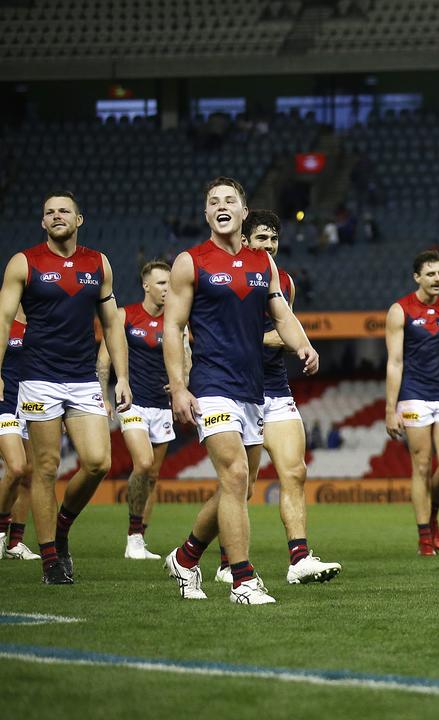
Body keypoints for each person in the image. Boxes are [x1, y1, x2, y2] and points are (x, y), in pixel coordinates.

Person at [162, 177, 320, 605]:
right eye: (213, 201)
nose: (221, 205)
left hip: (253, 389)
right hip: (212, 384)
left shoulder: (261, 264)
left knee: (241, 485)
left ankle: (186, 556)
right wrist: (179, 387)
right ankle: (243, 580)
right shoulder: (189, 262)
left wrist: (303, 344)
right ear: (207, 214)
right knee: (233, 476)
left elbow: (281, 313)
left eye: (229, 199)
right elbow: (173, 328)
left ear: (244, 211)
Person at [0, 191, 131, 585]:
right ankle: (50, 560)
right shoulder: (25, 262)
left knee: (97, 462)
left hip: (83, 379)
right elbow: (4, 320)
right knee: (44, 469)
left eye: (64, 211)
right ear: (42, 223)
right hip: (38, 379)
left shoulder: (98, 263)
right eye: (49, 212)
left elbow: (111, 325)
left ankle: (61, 526)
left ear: (79, 220)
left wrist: (121, 377)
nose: (56, 216)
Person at [241, 208, 341, 585]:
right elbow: (231, 338)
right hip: (237, 391)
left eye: (273, 239)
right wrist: (281, 339)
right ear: (246, 240)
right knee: (242, 486)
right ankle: (200, 555)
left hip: (276, 386)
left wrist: (297, 344)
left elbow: (286, 327)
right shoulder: (230, 279)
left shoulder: (284, 281)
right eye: (261, 238)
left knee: (295, 472)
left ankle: (299, 558)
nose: (268, 245)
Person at [385, 250, 439, 557]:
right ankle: (424, 536)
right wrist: (391, 409)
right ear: (417, 277)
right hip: (413, 394)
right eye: (431, 274)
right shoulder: (400, 310)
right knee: (421, 464)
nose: (437, 279)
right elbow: (395, 361)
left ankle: (433, 511)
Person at [103, 261, 175, 561]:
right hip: (132, 404)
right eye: (161, 284)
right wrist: (102, 395)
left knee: (153, 476)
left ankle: (139, 540)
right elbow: (104, 359)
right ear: (146, 285)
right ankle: (133, 536)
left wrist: (181, 382)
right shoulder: (124, 316)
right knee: (143, 464)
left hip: (163, 406)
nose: (167, 289)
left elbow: (186, 354)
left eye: (170, 284)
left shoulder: (175, 320)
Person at [0, 310, 39, 560]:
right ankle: (1, 532)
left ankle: (15, 543)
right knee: (15, 467)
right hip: (4, 403)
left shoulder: (42, 322)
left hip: (32, 405)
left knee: (29, 475)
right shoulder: (4, 320)